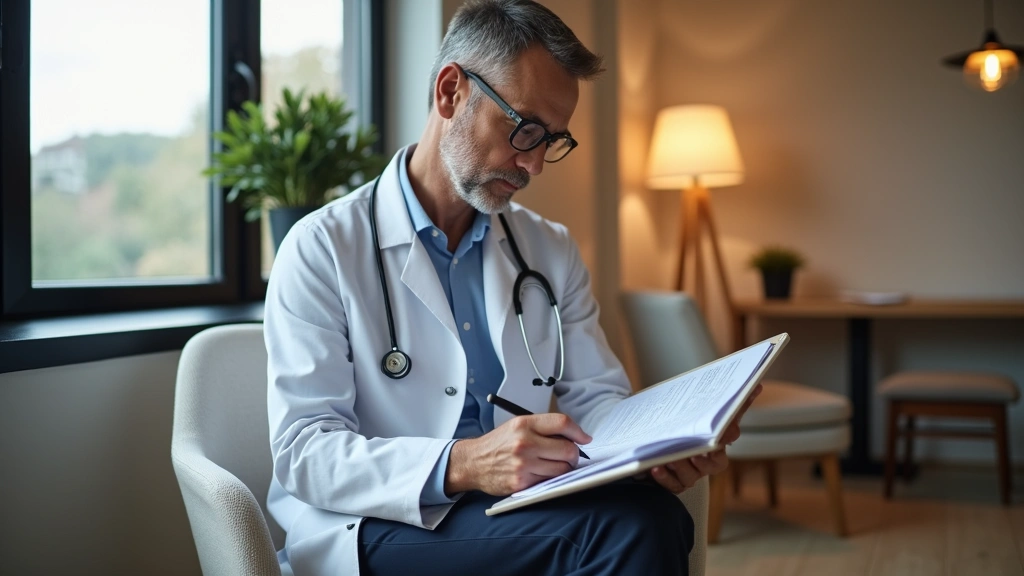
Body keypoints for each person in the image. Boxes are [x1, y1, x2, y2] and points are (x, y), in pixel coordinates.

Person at [264, 1, 758, 574]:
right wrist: (465, 463)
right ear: (450, 92)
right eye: (524, 129)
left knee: (655, 513)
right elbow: (305, 452)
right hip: (378, 521)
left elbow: (595, 398)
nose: (535, 165)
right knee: (622, 531)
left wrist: (654, 450)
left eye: (552, 140)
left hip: (516, 506)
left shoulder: (549, 249)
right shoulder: (322, 247)